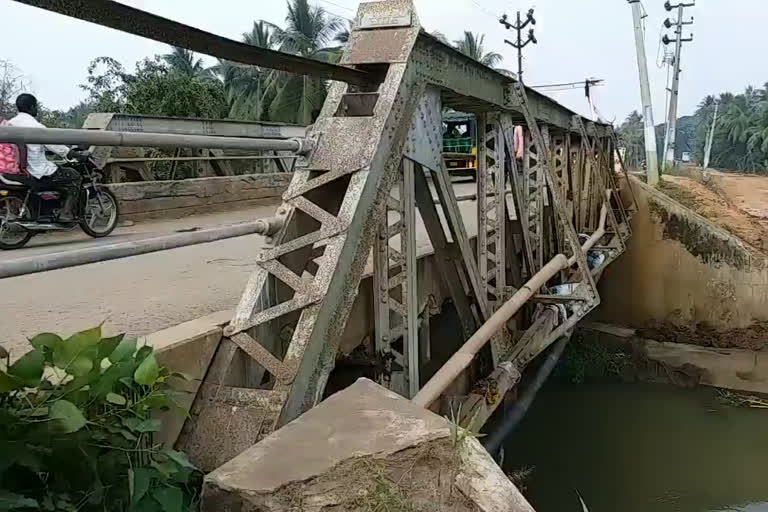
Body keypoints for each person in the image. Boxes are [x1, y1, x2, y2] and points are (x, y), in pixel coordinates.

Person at [7, 93, 83, 221]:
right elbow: (57, 147)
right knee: (74, 177)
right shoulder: (36, 127)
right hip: (36, 173)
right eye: (36, 106)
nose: (36, 109)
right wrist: (73, 154)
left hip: (14, 170)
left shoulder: (8, 124)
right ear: (31, 107)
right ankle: (66, 213)